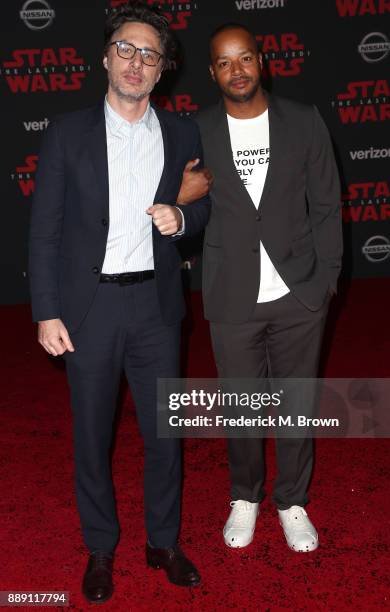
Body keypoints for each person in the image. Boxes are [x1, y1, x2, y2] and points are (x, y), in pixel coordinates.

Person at [29, 1, 210, 603]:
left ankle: (163, 542)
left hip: (157, 308)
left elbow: (205, 201)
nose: (136, 62)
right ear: (106, 58)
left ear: (163, 71)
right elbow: (45, 230)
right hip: (90, 310)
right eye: (126, 50)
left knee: (165, 435)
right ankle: (100, 547)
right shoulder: (65, 133)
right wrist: (46, 310)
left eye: (149, 55)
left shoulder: (184, 131)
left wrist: (182, 215)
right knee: (92, 437)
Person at [181, 23, 342, 554]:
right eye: (224, 62)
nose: (237, 70)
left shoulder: (302, 120)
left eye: (245, 58)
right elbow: (179, 208)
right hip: (231, 295)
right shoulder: (196, 131)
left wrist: (325, 283)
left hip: (299, 292)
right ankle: (245, 496)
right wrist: (182, 196)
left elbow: (326, 205)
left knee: (296, 402)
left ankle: (292, 500)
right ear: (212, 72)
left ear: (261, 62)